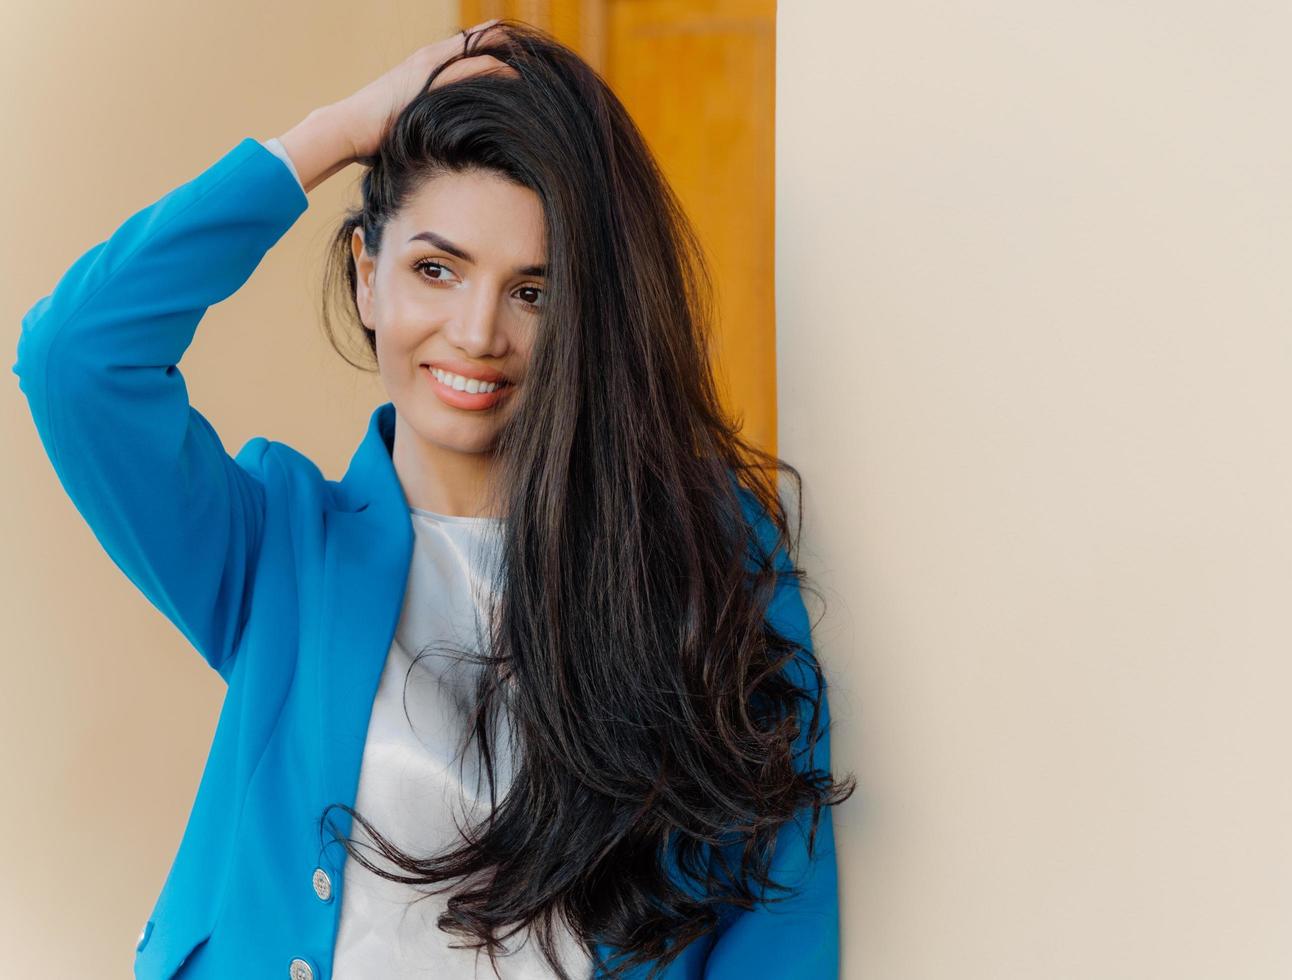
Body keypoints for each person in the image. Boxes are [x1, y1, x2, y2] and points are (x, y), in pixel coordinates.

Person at [12, 17, 854, 980]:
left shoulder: (713, 562)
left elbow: (779, 911)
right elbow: (74, 357)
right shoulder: (279, 551)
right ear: (368, 278)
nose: (477, 332)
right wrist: (336, 133)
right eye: (435, 269)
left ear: (588, 318)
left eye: (535, 292)